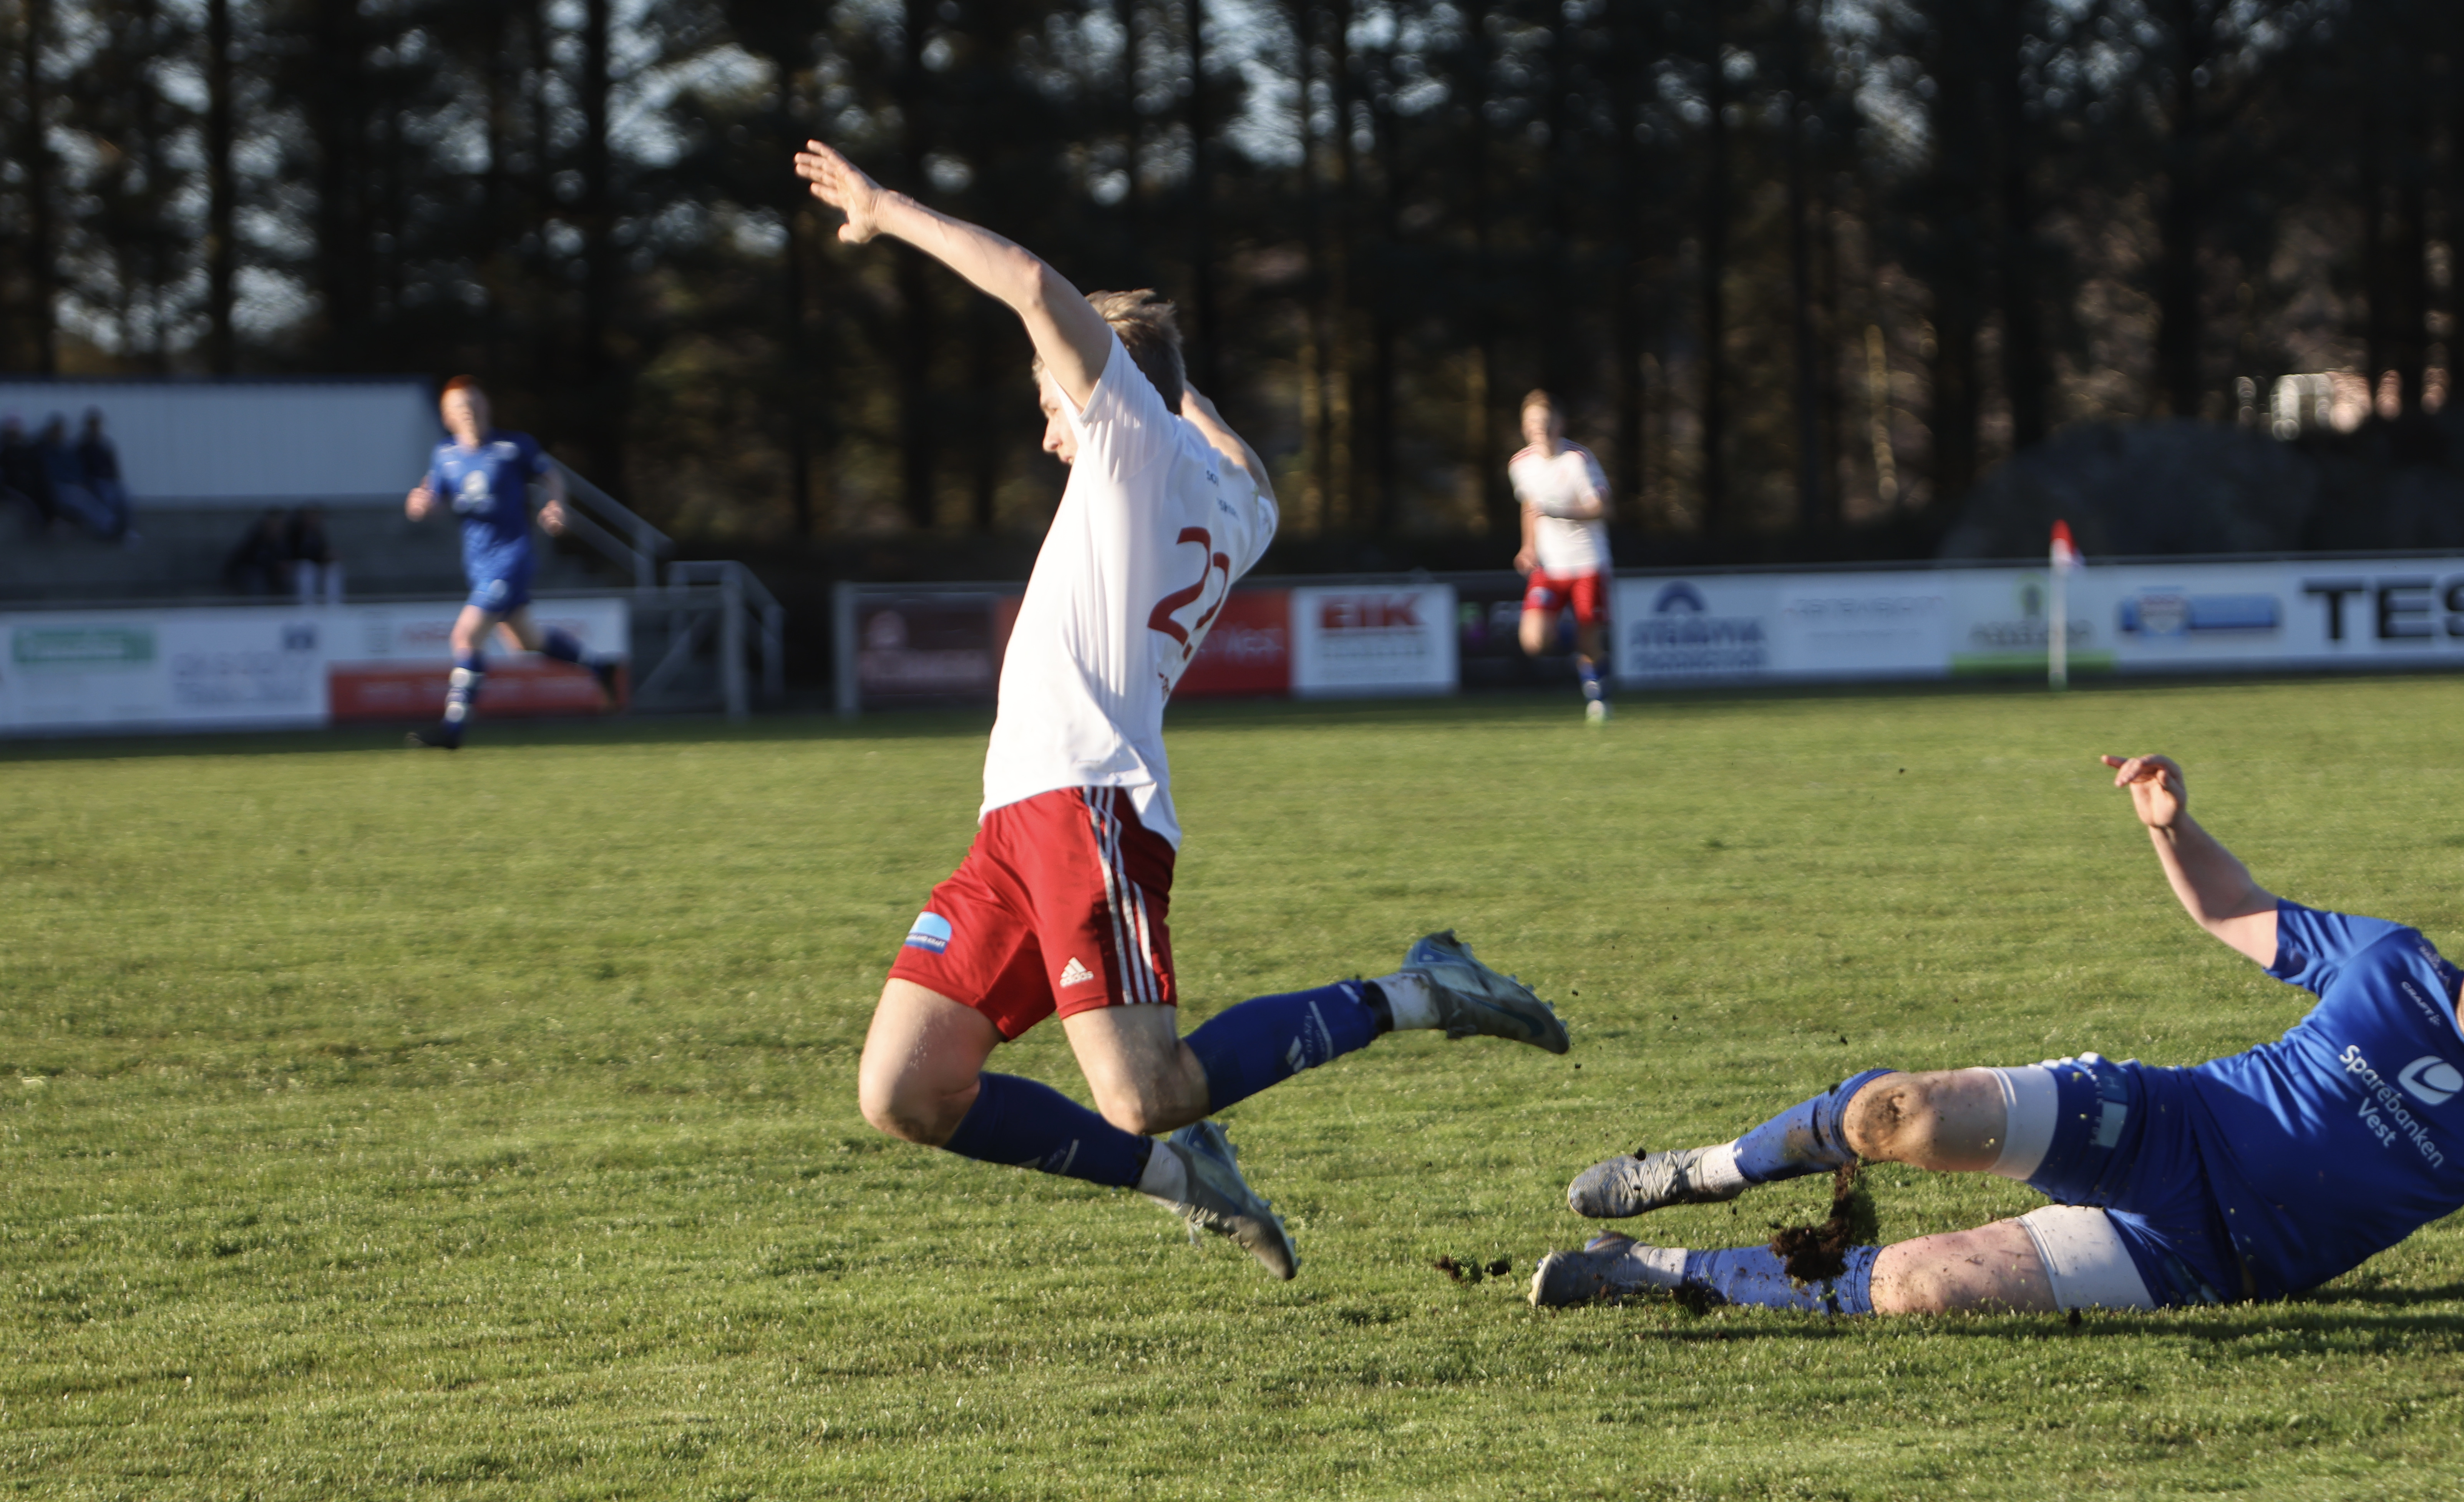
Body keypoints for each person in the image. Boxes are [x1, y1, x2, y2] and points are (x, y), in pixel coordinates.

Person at [794, 138, 1571, 1283]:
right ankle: (1185, 1177)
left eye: (1050, 404)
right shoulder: (1232, 504)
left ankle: (1421, 992)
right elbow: (1236, 455)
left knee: (1143, 1088)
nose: (1049, 432)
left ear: (1104, 387)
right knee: (905, 1090)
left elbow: (1029, 284)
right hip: (1016, 822)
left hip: (1087, 805)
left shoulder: (1126, 445)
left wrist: (883, 207)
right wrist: (1169, 374)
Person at [1530, 753, 2464, 1318]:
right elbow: (2232, 909)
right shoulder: (2392, 961)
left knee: (1918, 1288)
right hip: (2166, 1123)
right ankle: (1702, 1171)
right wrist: (2172, 824)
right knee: (1901, 1113)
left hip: (2201, 1260)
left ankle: (1647, 1274)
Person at [402, 377, 621, 748]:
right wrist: (418, 506)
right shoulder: (445, 455)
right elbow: (430, 499)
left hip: (511, 558)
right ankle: (600, 666)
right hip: (479, 564)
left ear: (487, 406)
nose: (469, 411)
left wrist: (556, 505)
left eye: (474, 402)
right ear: (447, 416)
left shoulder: (513, 447)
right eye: (460, 406)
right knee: (526, 642)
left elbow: (550, 474)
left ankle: (453, 728)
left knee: (466, 636)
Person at [1508, 391, 1614, 723]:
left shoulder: (1578, 460)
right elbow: (1530, 506)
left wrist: (1560, 512)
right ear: (1524, 426)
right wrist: (1528, 546)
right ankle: (1572, 635)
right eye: (1533, 422)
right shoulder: (1520, 465)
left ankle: (1599, 695)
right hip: (1550, 566)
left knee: (1589, 640)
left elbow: (1602, 508)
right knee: (1533, 641)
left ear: (1560, 424)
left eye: (1546, 421)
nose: (1540, 428)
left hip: (1587, 562)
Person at [74, 407, 134, 543]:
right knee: (108, 497)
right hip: (96, 481)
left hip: (111, 480)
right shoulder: (83, 446)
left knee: (125, 496)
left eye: (97, 424)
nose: (95, 427)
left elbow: (114, 466)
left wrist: (116, 479)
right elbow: (81, 468)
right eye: (92, 424)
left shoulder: (106, 445)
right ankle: (111, 531)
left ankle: (128, 531)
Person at [223, 508, 295, 596]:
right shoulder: (255, 541)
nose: (277, 528)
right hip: (254, 573)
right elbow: (249, 560)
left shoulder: (286, 541)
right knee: (256, 578)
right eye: (274, 524)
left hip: (274, 575)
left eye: (279, 525)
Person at [289, 503, 344, 605]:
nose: (313, 519)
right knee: (306, 569)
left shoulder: (319, 533)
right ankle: (307, 603)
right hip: (300, 566)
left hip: (318, 565)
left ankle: (334, 602)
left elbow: (322, 551)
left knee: (334, 568)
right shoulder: (295, 533)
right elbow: (296, 553)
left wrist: (328, 556)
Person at [0, 416, 45, 537]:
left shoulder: (26, 449)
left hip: (25, 486)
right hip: (10, 489)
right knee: (28, 503)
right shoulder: (5, 452)